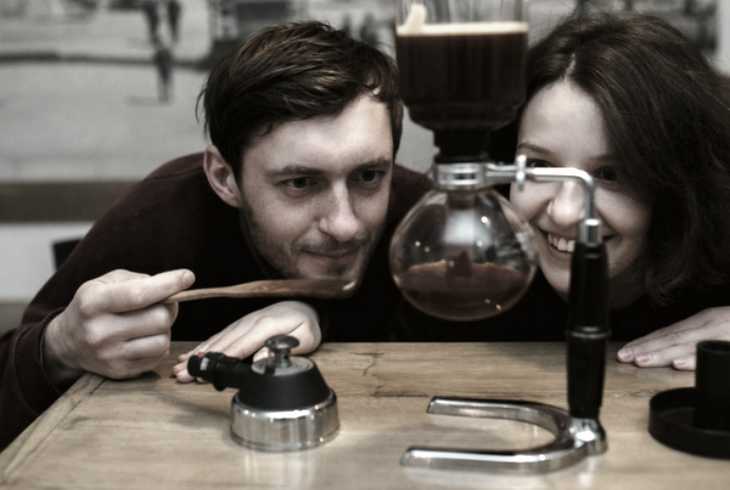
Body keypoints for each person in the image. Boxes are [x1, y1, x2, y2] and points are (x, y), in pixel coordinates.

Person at [0, 21, 430, 450]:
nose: (345, 224)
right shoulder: (160, 216)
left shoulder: (430, 221)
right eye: (300, 183)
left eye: (369, 175)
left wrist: (322, 321)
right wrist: (58, 347)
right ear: (225, 177)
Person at [505, 13, 730, 370]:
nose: (565, 212)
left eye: (609, 174)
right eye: (539, 167)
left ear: (675, 182)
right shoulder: (478, 273)